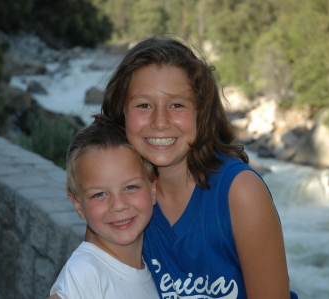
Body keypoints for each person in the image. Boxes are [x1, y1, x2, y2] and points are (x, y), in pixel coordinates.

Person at [98, 36, 299, 299]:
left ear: (200, 113)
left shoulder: (239, 193)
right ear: (121, 112)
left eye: (177, 105)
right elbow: (89, 274)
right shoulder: (118, 197)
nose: (160, 121)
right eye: (144, 105)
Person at [48, 116, 160, 299]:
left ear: (152, 189)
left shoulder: (150, 267)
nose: (118, 205)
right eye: (99, 194)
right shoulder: (86, 272)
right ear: (78, 204)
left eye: (130, 187)